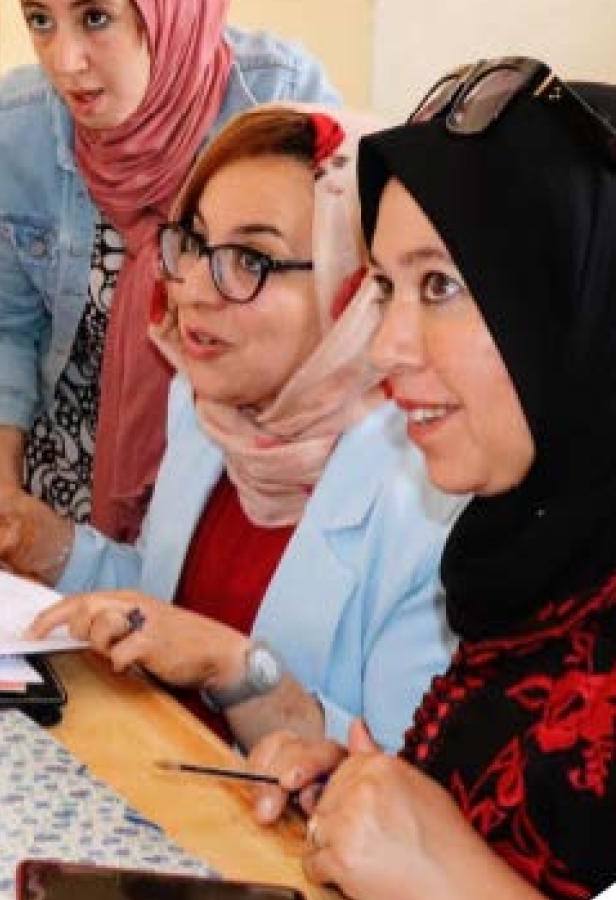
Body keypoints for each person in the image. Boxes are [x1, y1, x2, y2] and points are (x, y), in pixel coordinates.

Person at [0, 105, 463, 753]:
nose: (193, 289)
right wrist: (40, 538)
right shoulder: (210, 415)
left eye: (252, 259)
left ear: (356, 293)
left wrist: (239, 670)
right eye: (194, 245)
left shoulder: (431, 496)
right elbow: (164, 604)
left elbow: (413, 777)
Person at [247, 62, 616, 899]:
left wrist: (445, 881)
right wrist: (370, 797)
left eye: (441, 285)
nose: (386, 348)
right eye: (386, 287)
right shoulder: (525, 554)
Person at [0, 0, 340, 541]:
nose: (65, 61)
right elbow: (5, 326)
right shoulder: (12, 131)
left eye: (95, 17)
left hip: (234, 491)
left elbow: (325, 334)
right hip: (63, 489)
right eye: (39, 20)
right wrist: (6, 510)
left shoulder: (276, 109)